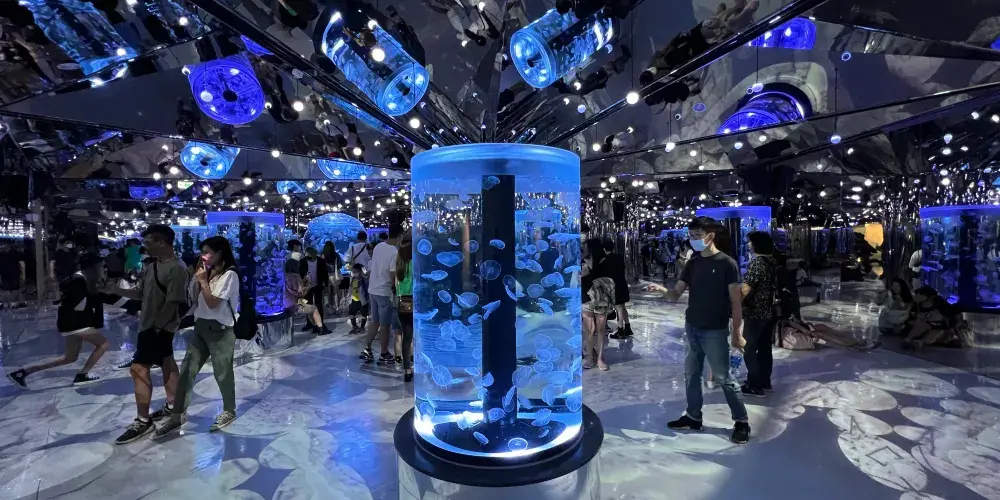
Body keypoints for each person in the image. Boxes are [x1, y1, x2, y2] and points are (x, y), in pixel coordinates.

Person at [645, 216, 749, 444]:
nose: (693, 240)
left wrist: (737, 333)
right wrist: (661, 289)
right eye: (690, 236)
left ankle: (741, 421)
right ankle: (693, 416)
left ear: (710, 236)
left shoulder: (727, 263)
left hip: (715, 329)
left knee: (723, 377)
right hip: (692, 326)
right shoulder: (692, 263)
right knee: (691, 374)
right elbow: (675, 294)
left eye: (697, 236)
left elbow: (735, 302)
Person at [154, 236, 240, 438]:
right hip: (200, 326)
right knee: (186, 371)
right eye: (202, 252)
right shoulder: (207, 273)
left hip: (220, 329)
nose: (204, 256)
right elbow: (195, 301)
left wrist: (202, 281)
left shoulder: (230, 275)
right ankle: (177, 415)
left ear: (220, 253)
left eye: (208, 252)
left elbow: (213, 303)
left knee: (222, 372)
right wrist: (198, 279)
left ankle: (229, 409)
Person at [112, 225, 188, 445]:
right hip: (150, 325)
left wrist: (157, 328)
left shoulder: (177, 268)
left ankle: (143, 420)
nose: (145, 246)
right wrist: (116, 291)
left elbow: (173, 302)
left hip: (159, 327)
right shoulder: (153, 266)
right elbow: (140, 293)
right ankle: (174, 406)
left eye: (148, 242)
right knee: (167, 362)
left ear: (162, 242)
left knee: (138, 369)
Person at [6, 253, 114, 388]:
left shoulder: (82, 279)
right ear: (93, 267)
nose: (103, 268)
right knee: (103, 344)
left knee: (69, 358)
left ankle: (22, 373)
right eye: (101, 266)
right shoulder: (79, 280)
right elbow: (79, 303)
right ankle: (82, 375)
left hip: (73, 322)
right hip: (76, 323)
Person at [740, 231, 777, 398]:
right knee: (764, 349)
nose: (748, 245)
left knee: (748, 349)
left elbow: (746, 289)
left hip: (755, 312)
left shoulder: (757, 263)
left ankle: (754, 385)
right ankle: (765, 382)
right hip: (769, 311)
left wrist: (734, 303)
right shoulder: (772, 262)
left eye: (750, 242)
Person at [360, 224, 400, 365]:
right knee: (385, 324)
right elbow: (392, 274)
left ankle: (367, 348)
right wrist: (397, 289)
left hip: (373, 289)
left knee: (375, 321)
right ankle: (384, 353)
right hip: (384, 291)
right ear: (400, 236)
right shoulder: (394, 252)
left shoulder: (378, 246)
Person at [582, 238, 614, 371]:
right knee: (589, 331)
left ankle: (599, 358)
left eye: (586, 246)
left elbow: (610, 281)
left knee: (600, 330)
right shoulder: (581, 262)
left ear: (591, 248)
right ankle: (590, 357)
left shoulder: (604, 262)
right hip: (585, 298)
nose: (584, 248)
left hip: (601, 299)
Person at [603, 240, 633, 339]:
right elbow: (625, 270)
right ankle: (627, 327)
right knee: (622, 307)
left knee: (618, 308)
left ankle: (620, 330)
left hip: (613, 286)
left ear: (604, 249)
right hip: (622, 283)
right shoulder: (619, 257)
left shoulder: (605, 260)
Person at [283, 259, 324, 330]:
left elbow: (292, 287)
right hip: (295, 304)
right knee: (314, 308)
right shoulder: (296, 276)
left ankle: (314, 325)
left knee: (307, 303)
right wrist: (309, 285)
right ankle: (321, 328)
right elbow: (302, 293)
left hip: (286, 303)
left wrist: (303, 281)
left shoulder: (284, 276)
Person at [395, 235, 414, 382]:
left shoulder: (399, 265)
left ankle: (407, 369)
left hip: (402, 303)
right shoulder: (415, 263)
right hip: (416, 302)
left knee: (406, 338)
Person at [303, 247, 332, 334]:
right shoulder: (303, 261)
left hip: (318, 285)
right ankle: (310, 323)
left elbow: (325, 273)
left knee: (319, 305)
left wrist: (325, 284)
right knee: (308, 305)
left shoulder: (320, 261)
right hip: (307, 286)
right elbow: (300, 273)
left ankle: (320, 324)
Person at [0, 239, 26, 309]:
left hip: (10, 274)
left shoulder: (11, 254)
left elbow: (21, 264)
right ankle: (14, 303)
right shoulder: (14, 254)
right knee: (10, 288)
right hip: (10, 274)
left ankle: (12, 303)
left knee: (11, 289)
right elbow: (21, 264)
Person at [322, 241, 345, 315]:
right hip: (335, 276)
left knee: (327, 293)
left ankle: (329, 308)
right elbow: (340, 265)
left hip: (325, 276)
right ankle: (337, 308)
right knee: (335, 293)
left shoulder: (322, 255)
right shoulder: (336, 255)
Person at [347, 263, 369, 334]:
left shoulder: (364, 280)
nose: (354, 273)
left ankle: (362, 327)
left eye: (356, 272)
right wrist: (348, 297)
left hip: (362, 300)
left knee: (364, 314)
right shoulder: (352, 279)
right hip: (354, 299)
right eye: (353, 272)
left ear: (360, 271)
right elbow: (350, 288)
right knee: (351, 314)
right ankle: (354, 326)